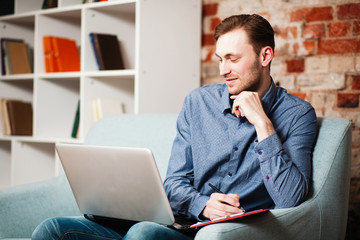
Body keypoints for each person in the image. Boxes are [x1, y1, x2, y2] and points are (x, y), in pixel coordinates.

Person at [32, 14, 317, 240]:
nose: (223, 70)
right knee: (52, 229)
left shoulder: (297, 114)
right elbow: (174, 183)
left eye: (233, 59)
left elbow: (291, 197)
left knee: (142, 233)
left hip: (221, 234)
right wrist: (202, 204)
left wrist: (263, 123)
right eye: (220, 59)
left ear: (265, 56)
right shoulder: (198, 103)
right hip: (181, 226)